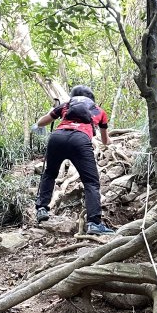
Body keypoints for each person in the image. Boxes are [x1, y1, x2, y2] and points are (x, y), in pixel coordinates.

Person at [34, 85, 114, 235]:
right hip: (80, 140)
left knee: (50, 173)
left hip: (57, 137)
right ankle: (94, 223)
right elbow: (104, 140)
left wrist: (48, 115)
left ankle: (41, 209)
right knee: (91, 182)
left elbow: (41, 122)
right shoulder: (99, 111)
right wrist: (111, 142)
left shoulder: (66, 105)